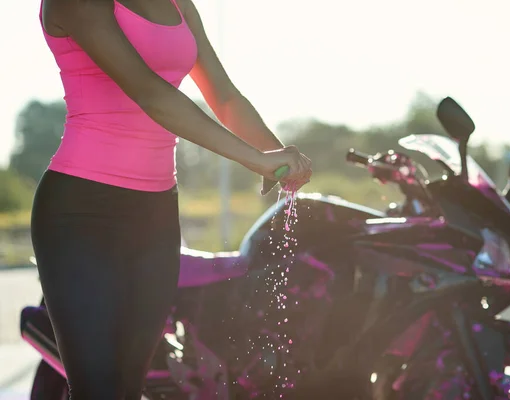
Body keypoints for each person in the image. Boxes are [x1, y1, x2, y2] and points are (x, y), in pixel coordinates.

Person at [32, 0, 312, 398]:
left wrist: (281, 160)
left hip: (156, 213)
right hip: (82, 212)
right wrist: (254, 160)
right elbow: (151, 94)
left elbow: (225, 96)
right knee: (97, 388)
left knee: (129, 386)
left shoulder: (179, 4)